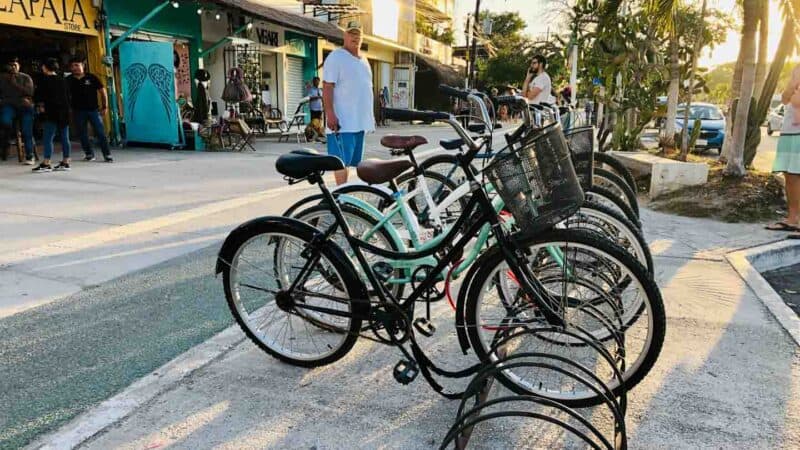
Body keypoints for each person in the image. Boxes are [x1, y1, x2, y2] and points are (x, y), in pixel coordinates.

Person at [323, 21, 375, 185]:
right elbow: (327, 86)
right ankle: (341, 196)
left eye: (358, 34)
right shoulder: (336, 57)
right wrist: (330, 113)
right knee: (340, 162)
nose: (355, 37)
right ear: (345, 36)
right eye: (351, 34)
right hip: (342, 122)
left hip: (359, 123)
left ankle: (345, 194)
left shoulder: (364, 60)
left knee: (352, 163)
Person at [767, 64, 800, 236]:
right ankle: (793, 219)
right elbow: (786, 99)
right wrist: (793, 83)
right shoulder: (797, 68)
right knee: (790, 175)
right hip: (789, 130)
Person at [66, 57, 112, 162]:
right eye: (72, 66)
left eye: (77, 65)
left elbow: (102, 91)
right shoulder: (68, 80)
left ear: (83, 66)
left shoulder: (91, 77)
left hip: (93, 110)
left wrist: (105, 106)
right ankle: (89, 154)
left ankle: (107, 154)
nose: (74, 68)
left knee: (100, 133)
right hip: (78, 111)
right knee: (82, 134)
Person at [32, 58, 72, 173]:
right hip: (64, 112)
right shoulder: (63, 80)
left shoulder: (44, 81)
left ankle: (47, 162)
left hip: (51, 112)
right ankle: (66, 161)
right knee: (65, 137)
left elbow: (38, 96)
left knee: (48, 138)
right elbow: (68, 96)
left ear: (45, 67)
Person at [0, 57, 35, 164]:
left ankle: (30, 156)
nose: (13, 67)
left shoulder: (25, 77)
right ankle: (7, 141)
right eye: (11, 65)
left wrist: (14, 83)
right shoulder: (2, 78)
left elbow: (30, 92)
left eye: (15, 65)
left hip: (24, 107)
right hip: (9, 105)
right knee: (4, 121)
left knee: (26, 131)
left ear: (19, 66)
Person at [306, 76, 325, 142]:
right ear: (313, 82)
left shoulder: (320, 90)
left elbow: (322, 98)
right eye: (315, 81)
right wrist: (317, 97)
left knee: (319, 123)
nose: (317, 83)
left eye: (318, 81)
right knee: (313, 123)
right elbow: (309, 98)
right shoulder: (311, 90)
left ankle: (319, 134)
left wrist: (323, 106)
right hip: (313, 109)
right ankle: (312, 135)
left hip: (319, 109)